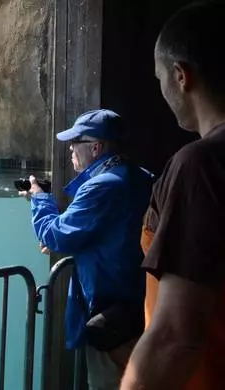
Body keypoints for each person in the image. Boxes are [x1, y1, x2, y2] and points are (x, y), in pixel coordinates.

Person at [121, 2, 225, 389]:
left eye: (159, 78)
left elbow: (176, 339)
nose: (161, 90)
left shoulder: (201, 165)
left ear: (181, 76)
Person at [19, 109, 154, 390]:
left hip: (112, 317)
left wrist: (40, 200)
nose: (70, 148)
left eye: (75, 141)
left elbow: (55, 236)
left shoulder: (102, 186)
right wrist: (78, 240)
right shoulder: (141, 177)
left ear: (95, 147)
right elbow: (117, 234)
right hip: (139, 307)